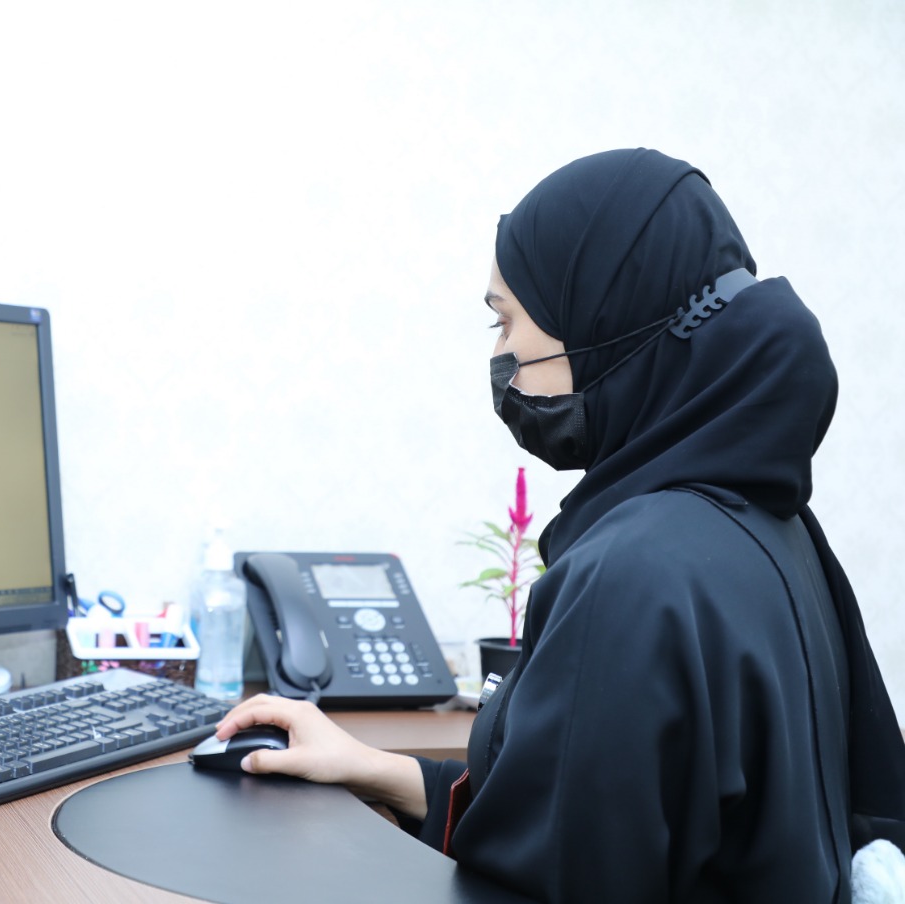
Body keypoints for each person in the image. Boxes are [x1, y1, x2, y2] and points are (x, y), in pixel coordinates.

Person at [216, 148, 905, 902]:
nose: (500, 354)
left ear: (606, 323)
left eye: (506, 319)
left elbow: (546, 880)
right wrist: (375, 769)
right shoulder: (777, 533)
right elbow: (572, 813)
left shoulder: (632, 580)